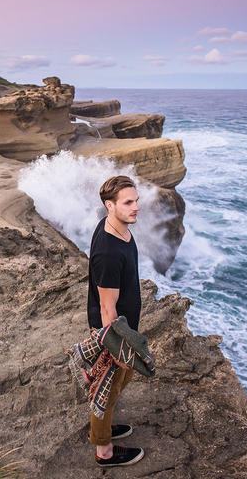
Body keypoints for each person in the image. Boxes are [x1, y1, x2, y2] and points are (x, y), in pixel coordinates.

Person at [86, 175, 144, 468]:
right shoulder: (108, 252)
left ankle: (103, 430)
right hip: (114, 331)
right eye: (128, 202)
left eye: (136, 201)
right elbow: (107, 307)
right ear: (110, 205)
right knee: (107, 389)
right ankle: (104, 451)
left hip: (125, 326)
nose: (136, 207)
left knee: (117, 384)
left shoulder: (116, 227)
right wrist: (118, 348)